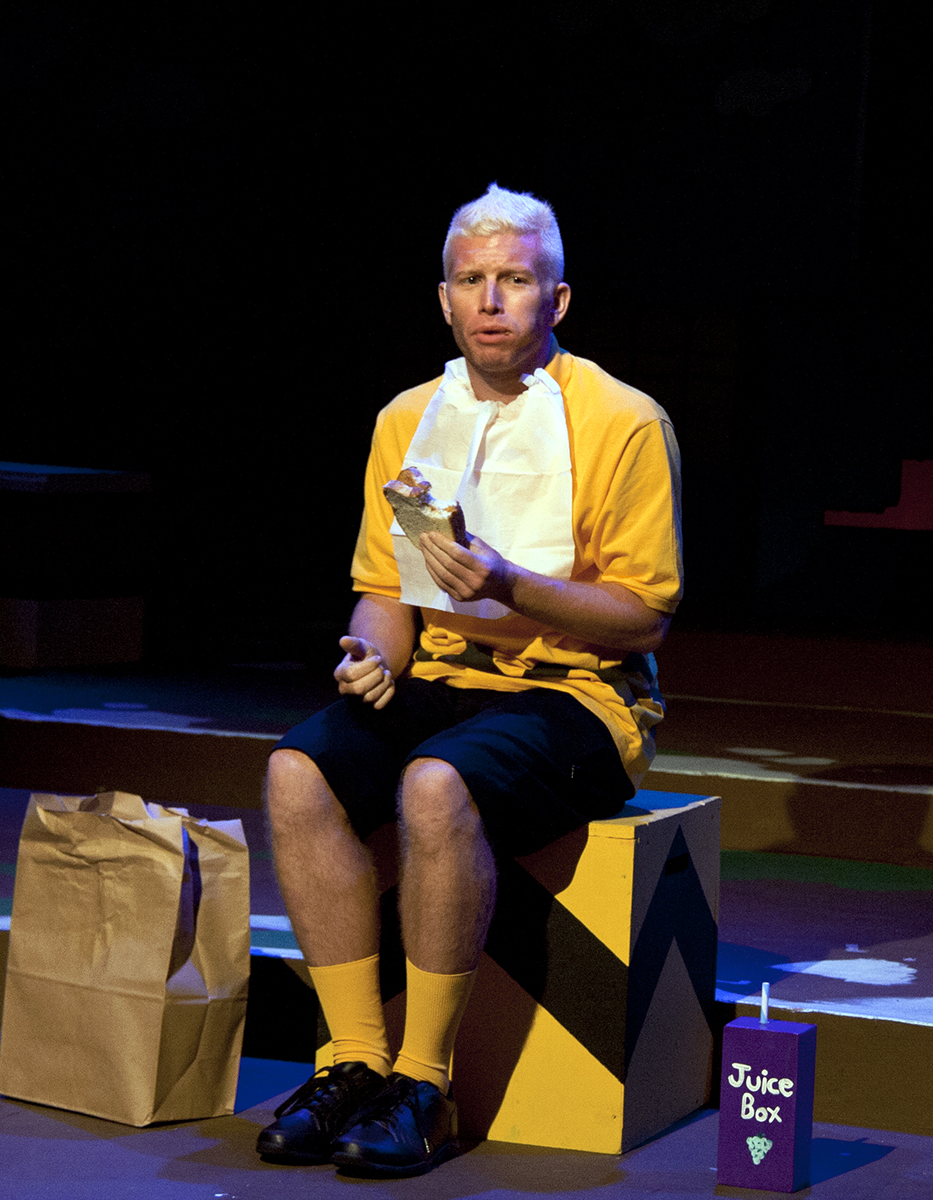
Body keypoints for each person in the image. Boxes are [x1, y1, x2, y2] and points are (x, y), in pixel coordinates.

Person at [255, 183, 683, 1178]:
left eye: (515, 280)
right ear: (444, 299)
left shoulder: (623, 421)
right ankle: (352, 1060)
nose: (491, 300)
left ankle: (423, 1084)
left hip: (582, 699)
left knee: (436, 783)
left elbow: (644, 615)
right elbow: (384, 590)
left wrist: (507, 584)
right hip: (444, 682)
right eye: (472, 280)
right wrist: (370, 656)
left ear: (557, 300)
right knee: (296, 772)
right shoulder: (409, 418)